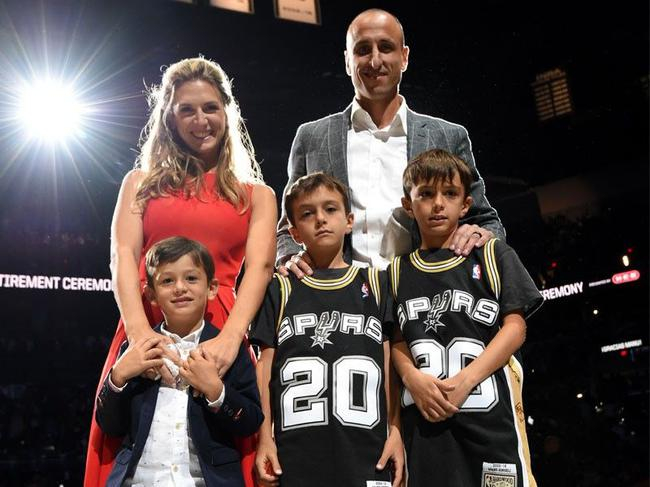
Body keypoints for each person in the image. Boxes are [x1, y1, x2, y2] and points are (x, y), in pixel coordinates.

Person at [85, 57, 277, 487]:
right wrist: (140, 333)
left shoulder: (258, 195)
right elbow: (122, 256)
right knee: (132, 443)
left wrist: (231, 338)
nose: (200, 120)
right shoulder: (139, 183)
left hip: (222, 327)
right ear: (169, 118)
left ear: (227, 112)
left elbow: (261, 269)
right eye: (186, 109)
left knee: (222, 452)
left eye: (210, 107)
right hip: (145, 323)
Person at [277, 8, 505, 278]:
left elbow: (486, 220)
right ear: (348, 61)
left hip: (427, 291)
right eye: (363, 50)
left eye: (385, 47)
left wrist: (478, 234)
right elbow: (287, 229)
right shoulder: (312, 137)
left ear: (404, 57)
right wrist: (290, 256)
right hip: (343, 296)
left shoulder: (448, 136)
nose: (375, 61)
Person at [388, 149, 543, 486]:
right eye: (426, 194)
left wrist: (466, 379)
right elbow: (396, 340)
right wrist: (411, 376)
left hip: (491, 423)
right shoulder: (396, 272)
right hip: (426, 432)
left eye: (449, 193)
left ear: (466, 205)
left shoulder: (491, 253)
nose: (438, 204)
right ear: (408, 205)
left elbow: (515, 327)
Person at [250, 173, 404, 487]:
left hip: (368, 454)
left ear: (349, 221)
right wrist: (264, 437)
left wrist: (396, 430)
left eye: (330, 209)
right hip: (296, 456)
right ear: (294, 231)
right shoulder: (280, 289)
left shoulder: (377, 284)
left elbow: (389, 364)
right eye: (308, 213)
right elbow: (264, 367)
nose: (321, 219)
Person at [96, 236, 263, 486]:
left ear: (212, 288)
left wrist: (216, 391)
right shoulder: (137, 349)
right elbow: (110, 426)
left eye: (191, 278)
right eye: (167, 281)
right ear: (151, 294)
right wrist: (118, 376)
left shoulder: (229, 350)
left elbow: (250, 422)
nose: (180, 288)